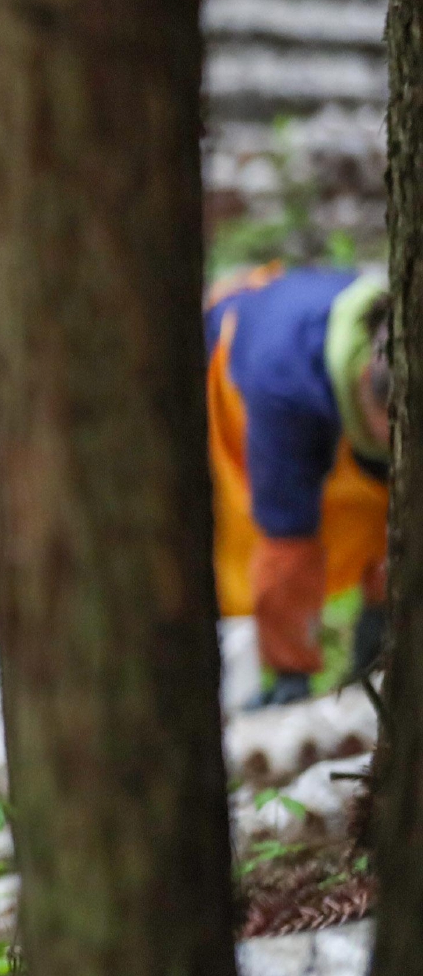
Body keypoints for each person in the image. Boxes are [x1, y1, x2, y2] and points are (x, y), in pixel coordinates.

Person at [207, 264, 391, 707]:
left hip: (300, 354)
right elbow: (287, 546)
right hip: (235, 381)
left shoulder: (384, 323)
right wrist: (293, 671)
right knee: (269, 544)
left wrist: (385, 623)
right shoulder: (284, 388)